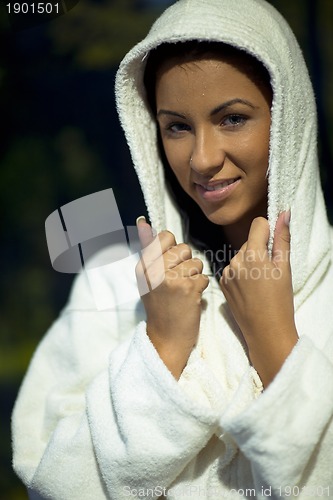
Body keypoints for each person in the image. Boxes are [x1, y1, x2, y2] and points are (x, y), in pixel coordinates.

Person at [12, 0, 333, 498]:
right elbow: (52, 483)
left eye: (232, 118)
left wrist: (276, 347)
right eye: (177, 127)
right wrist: (160, 346)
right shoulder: (110, 283)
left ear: (288, 122)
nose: (202, 159)